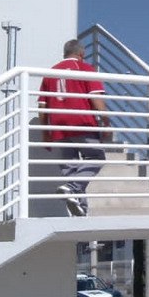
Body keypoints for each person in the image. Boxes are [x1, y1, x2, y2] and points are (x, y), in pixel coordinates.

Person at [39, 40, 110, 216]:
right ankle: (72, 188)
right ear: (82, 53)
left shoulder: (50, 73)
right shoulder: (85, 69)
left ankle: (80, 208)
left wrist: (45, 132)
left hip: (58, 126)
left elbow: (42, 105)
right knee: (96, 157)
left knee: (71, 169)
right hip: (81, 123)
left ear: (65, 53)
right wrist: (106, 122)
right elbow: (96, 99)